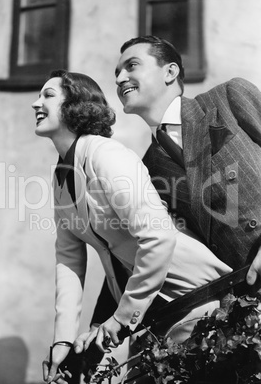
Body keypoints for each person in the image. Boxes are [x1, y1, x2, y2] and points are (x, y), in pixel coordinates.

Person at [31, 69, 232, 384]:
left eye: (48, 95)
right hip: (154, 313)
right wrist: (62, 342)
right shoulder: (61, 180)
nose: (36, 103)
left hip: (198, 299)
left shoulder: (106, 156)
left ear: (75, 105)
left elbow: (159, 236)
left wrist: (120, 319)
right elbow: (69, 261)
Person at [74, 36, 261, 349]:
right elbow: (136, 248)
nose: (119, 79)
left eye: (131, 66)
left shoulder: (228, 98)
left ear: (170, 71)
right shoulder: (146, 168)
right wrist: (99, 326)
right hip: (249, 307)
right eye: (116, 74)